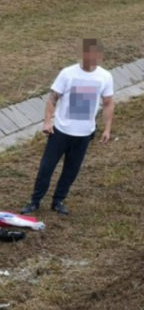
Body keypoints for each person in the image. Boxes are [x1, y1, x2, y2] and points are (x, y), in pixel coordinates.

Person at [22, 39, 114, 215]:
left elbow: (108, 103)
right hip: (61, 132)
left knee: (71, 170)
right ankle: (35, 201)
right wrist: (47, 121)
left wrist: (107, 128)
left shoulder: (105, 77)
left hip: (84, 134)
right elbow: (52, 98)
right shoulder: (67, 73)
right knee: (46, 168)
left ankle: (58, 201)